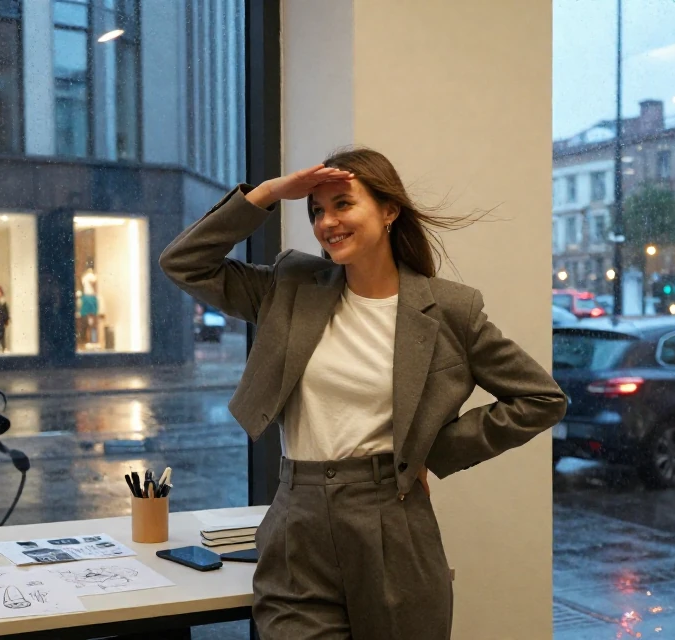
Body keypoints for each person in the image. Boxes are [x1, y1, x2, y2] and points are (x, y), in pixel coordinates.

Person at [159, 147, 567, 639]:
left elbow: (540, 399)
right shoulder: (290, 287)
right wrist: (267, 194)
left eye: (343, 204)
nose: (327, 222)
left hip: (393, 523)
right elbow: (184, 263)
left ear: (389, 210)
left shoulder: (449, 311)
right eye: (316, 211)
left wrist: (429, 450)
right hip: (297, 522)